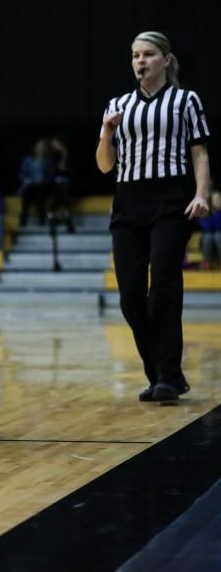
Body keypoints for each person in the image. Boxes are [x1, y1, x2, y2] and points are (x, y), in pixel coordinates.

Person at [96, 31, 210, 402]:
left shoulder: (185, 100)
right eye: (134, 55)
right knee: (130, 296)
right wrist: (107, 134)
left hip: (171, 200)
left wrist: (202, 193)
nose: (140, 61)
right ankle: (159, 373)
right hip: (128, 201)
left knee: (163, 288)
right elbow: (104, 166)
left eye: (147, 54)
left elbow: (200, 153)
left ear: (165, 59)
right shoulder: (117, 105)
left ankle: (168, 373)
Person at [18, 139, 53, 227]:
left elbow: (51, 176)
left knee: (40, 193)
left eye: (42, 147)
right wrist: (27, 179)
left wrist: (43, 180)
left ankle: (41, 221)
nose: (40, 149)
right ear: (34, 148)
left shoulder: (49, 161)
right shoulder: (28, 160)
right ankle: (23, 221)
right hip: (30, 186)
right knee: (28, 193)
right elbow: (22, 175)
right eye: (38, 147)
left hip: (43, 186)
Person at [199, 190, 221, 269]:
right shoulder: (206, 211)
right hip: (208, 239)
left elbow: (219, 228)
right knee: (208, 237)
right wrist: (214, 212)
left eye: (218, 199)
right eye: (215, 199)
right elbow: (206, 229)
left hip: (218, 239)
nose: (217, 201)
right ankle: (207, 262)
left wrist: (218, 212)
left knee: (218, 236)